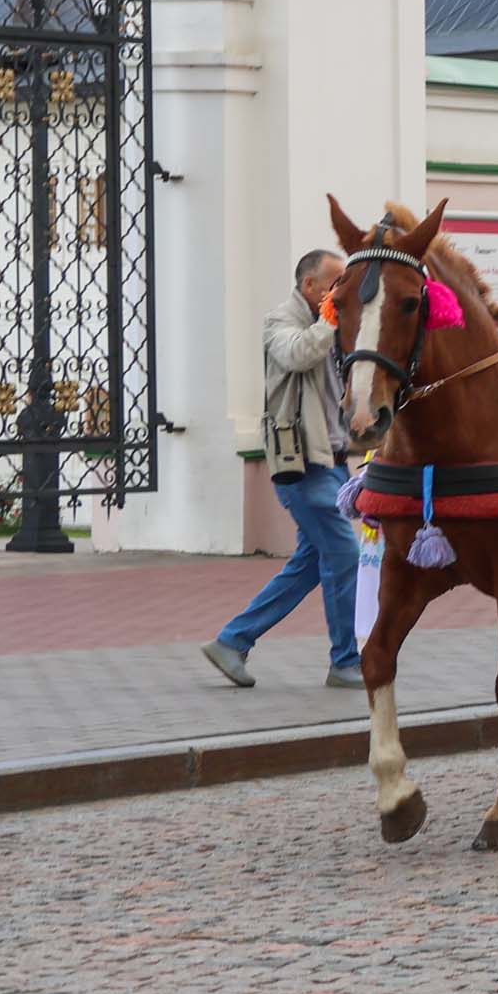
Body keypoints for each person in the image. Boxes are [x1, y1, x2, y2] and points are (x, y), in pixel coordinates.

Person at [202, 249, 365, 691]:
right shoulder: (281, 322)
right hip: (301, 466)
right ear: (310, 286)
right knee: (345, 555)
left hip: (332, 464)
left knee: (309, 565)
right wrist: (329, 321)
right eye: (332, 283)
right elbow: (296, 355)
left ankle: (232, 641)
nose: (338, 291)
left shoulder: (330, 327)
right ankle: (345, 661)